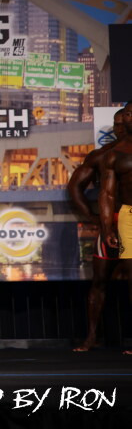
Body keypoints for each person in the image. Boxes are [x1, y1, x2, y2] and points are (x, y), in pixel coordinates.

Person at [67, 109, 124, 351]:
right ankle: (91, 337)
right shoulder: (103, 155)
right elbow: (75, 186)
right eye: (117, 123)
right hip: (112, 221)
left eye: (125, 121)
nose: (121, 127)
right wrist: (92, 217)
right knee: (99, 280)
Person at [98, 101, 132, 355]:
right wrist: (107, 228)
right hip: (129, 215)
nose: (130, 118)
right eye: (128, 113)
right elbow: (107, 195)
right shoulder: (114, 154)